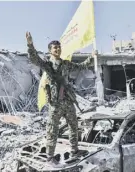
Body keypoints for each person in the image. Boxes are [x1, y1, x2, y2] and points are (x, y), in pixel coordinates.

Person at [26, 31, 97, 167]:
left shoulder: (65, 64)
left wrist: (91, 57)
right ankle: (50, 157)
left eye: (59, 47)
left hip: (68, 101)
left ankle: (74, 151)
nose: (57, 49)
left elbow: (81, 66)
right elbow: (34, 59)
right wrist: (30, 44)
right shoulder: (47, 65)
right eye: (54, 48)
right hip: (55, 103)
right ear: (50, 51)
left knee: (73, 126)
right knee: (52, 129)